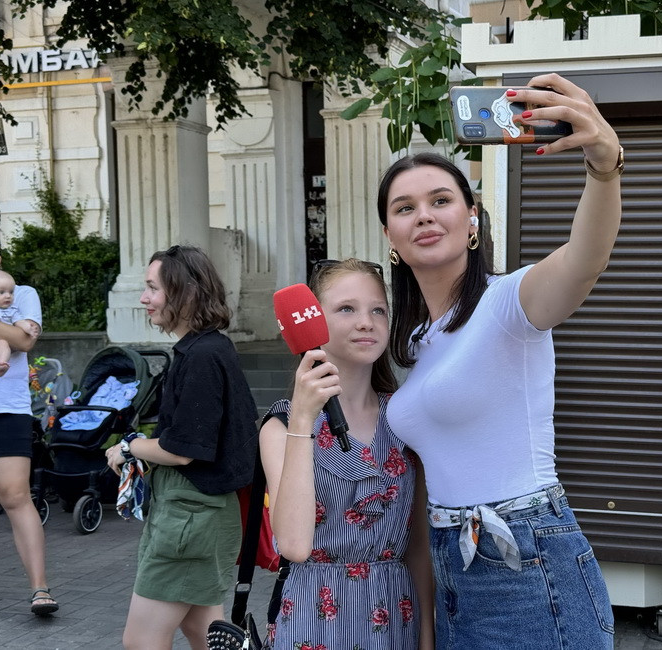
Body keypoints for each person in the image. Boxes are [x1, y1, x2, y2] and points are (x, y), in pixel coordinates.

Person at [377, 73, 622, 649]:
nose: (425, 216)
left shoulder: (508, 302)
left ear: (472, 220)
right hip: (454, 562)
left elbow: (584, 260)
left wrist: (604, 166)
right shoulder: (415, 339)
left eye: (441, 201)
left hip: (527, 560)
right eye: (405, 207)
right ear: (390, 235)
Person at [259, 258, 434, 650]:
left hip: (394, 614)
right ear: (314, 323)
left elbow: (419, 545)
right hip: (313, 618)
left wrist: (427, 636)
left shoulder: (404, 418)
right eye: (346, 309)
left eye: (378, 310)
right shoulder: (282, 426)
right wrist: (304, 419)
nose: (366, 322)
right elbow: (293, 544)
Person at [105, 245, 259, 649]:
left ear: (187, 293)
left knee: (141, 641)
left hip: (191, 517)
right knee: (205, 633)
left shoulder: (202, 355)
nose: (144, 298)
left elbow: (183, 449)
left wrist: (130, 448)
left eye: (153, 288)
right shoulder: (208, 349)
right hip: (200, 516)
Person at [0, 243, 57, 615]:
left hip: (7, 409)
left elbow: (23, 340)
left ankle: (40, 588)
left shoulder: (21, 292)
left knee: (15, 496)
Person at [0, 269, 38, 377]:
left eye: (11, 292)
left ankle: (1, 365)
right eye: (1, 292)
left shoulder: (12, 310)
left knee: (3, 345)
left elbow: (20, 322)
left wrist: (29, 329)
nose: (8, 296)